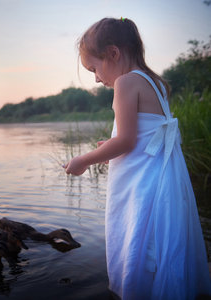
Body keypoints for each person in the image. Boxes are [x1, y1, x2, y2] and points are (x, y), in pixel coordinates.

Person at [63, 17, 211, 299]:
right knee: (158, 235)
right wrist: (112, 145)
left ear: (114, 53)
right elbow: (143, 135)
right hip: (162, 175)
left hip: (143, 182)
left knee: (138, 232)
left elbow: (127, 140)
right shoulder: (155, 82)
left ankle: (142, 289)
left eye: (94, 68)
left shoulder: (125, 83)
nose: (96, 77)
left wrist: (84, 160)